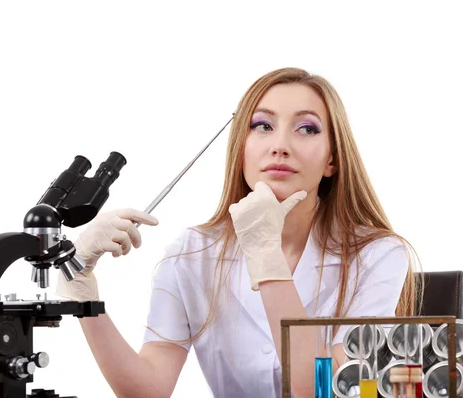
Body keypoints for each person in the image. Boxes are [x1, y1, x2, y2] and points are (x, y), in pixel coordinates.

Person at [56, 67, 422, 398]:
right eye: (262, 125)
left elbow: (321, 390)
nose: (280, 144)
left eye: (307, 128)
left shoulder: (379, 254)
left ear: (332, 160)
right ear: (240, 149)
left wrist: (267, 258)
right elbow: (148, 390)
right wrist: (83, 292)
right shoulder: (191, 253)